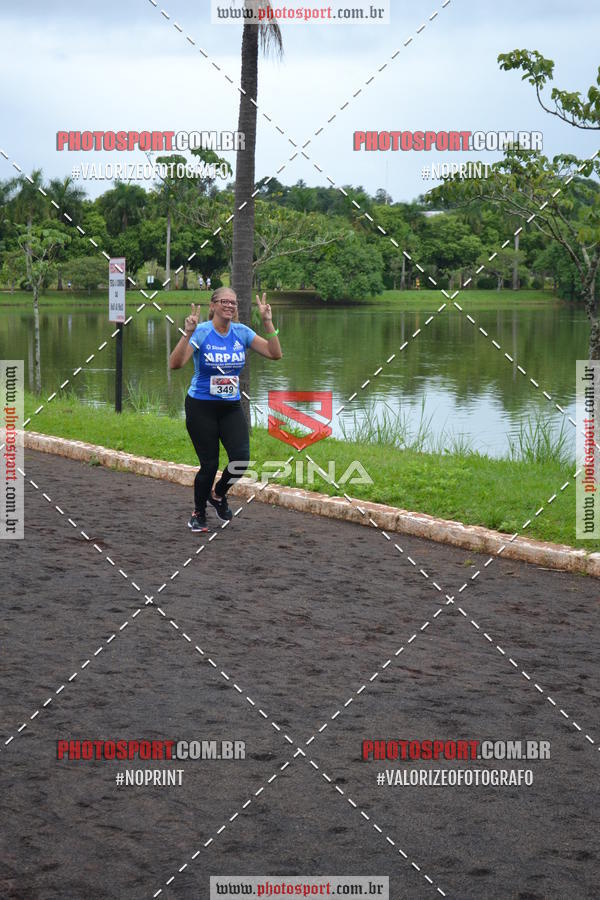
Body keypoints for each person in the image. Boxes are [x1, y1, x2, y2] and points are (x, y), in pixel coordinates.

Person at [169, 287, 282, 532]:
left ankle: (218, 495)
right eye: (224, 302)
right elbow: (175, 364)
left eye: (233, 302)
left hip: (230, 407)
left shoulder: (242, 333)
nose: (229, 306)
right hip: (201, 407)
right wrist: (187, 334)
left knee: (240, 460)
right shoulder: (201, 332)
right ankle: (198, 513)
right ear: (213, 306)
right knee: (209, 465)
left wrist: (267, 322)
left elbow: (275, 354)